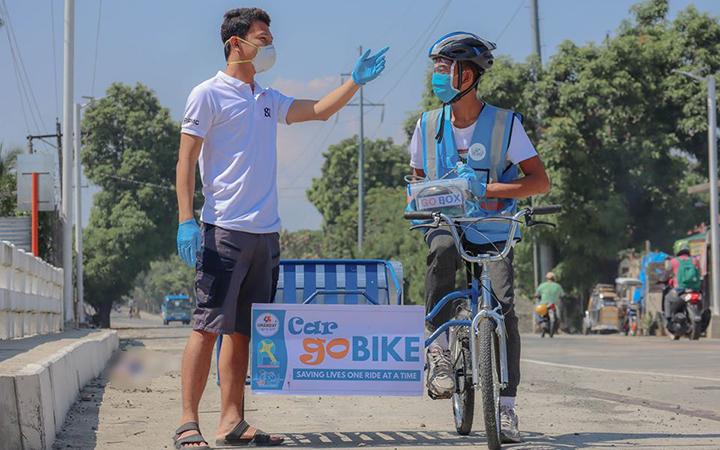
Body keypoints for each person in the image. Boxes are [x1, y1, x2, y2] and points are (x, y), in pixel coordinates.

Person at [174, 8, 388, 448]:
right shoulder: (207, 94)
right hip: (224, 230)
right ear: (236, 44)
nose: (269, 46)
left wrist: (354, 82)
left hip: (266, 234)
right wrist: (184, 220)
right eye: (262, 38)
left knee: (243, 330)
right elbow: (186, 160)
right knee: (207, 324)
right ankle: (187, 422)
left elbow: (319, 110)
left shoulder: (268, 98)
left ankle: (231, 422)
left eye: (270, 38)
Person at [407, 32, 550, 443]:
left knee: (504, 304)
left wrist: (486, 190)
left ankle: (506, 409)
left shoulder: (506, 124)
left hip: (493, 227)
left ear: (466, 74)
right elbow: (416, 180)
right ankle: (437, 352)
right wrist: (424, 195)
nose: (435, 77)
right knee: (443, 250)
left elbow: (539, 182)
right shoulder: (428, 124)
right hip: (446, 223)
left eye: (442, 70)